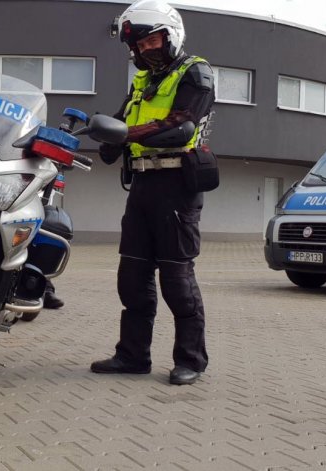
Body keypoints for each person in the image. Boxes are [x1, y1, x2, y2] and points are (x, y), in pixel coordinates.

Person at [90, 0, 215, 385]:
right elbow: (120, 123)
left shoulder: (196, 71)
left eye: (151, 42)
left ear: (170, 34)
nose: (145, 51)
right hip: (142, 185)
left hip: (177, 185)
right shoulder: (142, 82)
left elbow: (182, 126)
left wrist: (126, 135)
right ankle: (132, 356)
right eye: (138, 47)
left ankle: (191, 360)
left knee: (176, 280)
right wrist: (106, 137)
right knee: (132, 276)